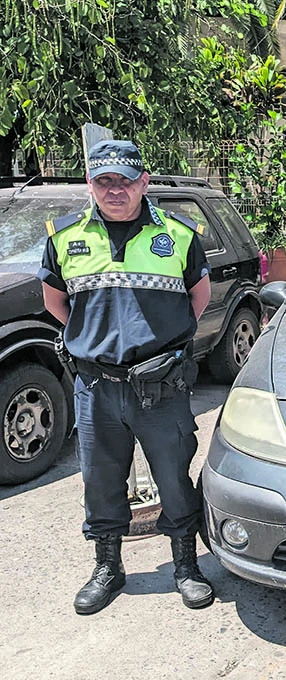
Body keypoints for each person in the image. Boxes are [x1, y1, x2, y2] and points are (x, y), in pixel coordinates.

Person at [39, 139, 214, 614]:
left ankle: (185, 564)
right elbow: (56, 302)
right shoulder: (64, 237)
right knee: (99, 479)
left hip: (161, 386)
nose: (115, 190)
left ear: (144, 182)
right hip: (96, 386)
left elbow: (198, 297)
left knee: (174, 478)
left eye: (125, 180)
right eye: (104, 181)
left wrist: (163, 343)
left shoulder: (178, 234)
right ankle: (108, 567)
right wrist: (94, 340)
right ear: (90, 185)